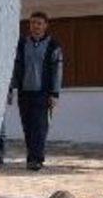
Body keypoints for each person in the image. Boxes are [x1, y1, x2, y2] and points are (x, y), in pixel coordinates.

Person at [9, 11, 63, 171]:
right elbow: (15, 67)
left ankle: (37, 159)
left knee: (39, 127)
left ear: (45, 25)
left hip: (43, 93)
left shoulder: (53, 45)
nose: (36, 26)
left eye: (39, 23)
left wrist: (54, 94)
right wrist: (10, 88)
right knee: (27, 127)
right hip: (24, 92)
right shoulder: (22, 44)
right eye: (33, 23)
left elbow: (57, 71)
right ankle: (31, 157)